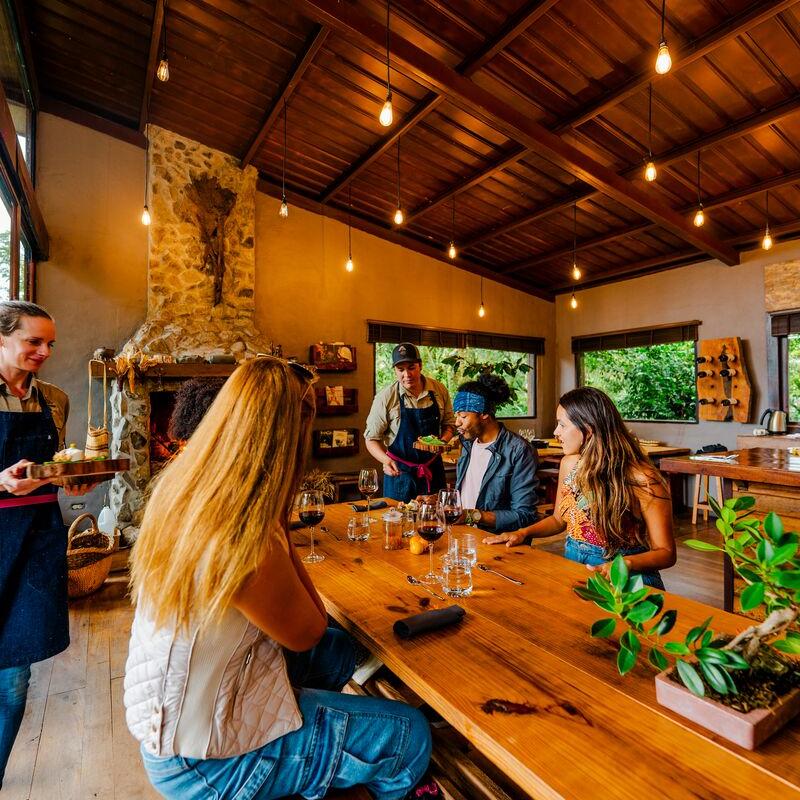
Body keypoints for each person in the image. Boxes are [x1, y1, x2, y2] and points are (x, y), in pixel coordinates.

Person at [125, 357, 432, 800]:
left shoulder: (183, 492)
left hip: (174, 723)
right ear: (287, 436)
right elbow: (308, 628)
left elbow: (319, 636)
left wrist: (275, 516)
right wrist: (280, 522)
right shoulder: (238, 531)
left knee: (340, 649)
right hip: (203, 761)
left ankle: (322, 746)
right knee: (409, 734)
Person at [0, 301, 93, 786]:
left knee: (14, 680)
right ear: (1, 338)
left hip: (36, 540)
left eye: (49, 343)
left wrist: (71, 481)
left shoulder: (54, 399)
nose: (44, 351)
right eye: (33, 341)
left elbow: (55, 467)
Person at [484, 386, 676, 589]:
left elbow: (666, 552)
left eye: (562, 425)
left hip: (627, 579)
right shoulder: (570, 464)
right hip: (574, 569)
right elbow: (559, 520)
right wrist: (523, 533)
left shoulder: (642, 478)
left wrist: (623, 564)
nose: (556, 432)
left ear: (588, 428)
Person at [364, 342, 456, 502]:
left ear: (420, 366)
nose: (407, 374)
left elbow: (449, 424)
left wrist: (441, 442)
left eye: (411, 367)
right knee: (398, 523)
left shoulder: (439, 390)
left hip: (433, 470)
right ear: (395, 371)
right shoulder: (385, 397)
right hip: (400, 474)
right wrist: (386, 461)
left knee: (437, 522)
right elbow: (371, 439)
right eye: (401, 370)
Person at [453, 373, 539, 534]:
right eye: (456, 415)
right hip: (465, 535)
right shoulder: (467, 444)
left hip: (497, 543)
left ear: (484, 414)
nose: (457, 422)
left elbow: (524, 515)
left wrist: (472, 516)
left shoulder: (519, 451)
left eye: (463, 416)